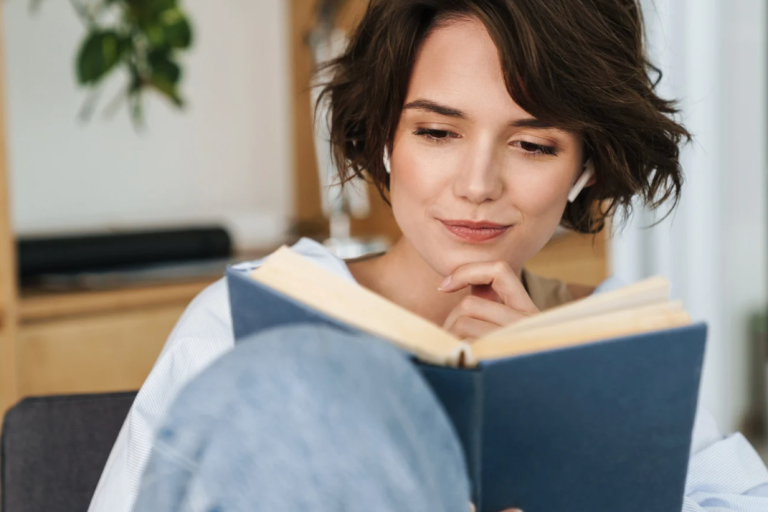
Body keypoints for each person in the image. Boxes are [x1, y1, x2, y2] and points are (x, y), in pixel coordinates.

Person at [88, 1, 768, 511]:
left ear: (586, 167)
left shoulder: (615, 351)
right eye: (437, 131)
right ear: (385, 136)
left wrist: (562, 428)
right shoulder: (238, 324)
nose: (477, 185)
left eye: (533, 145)